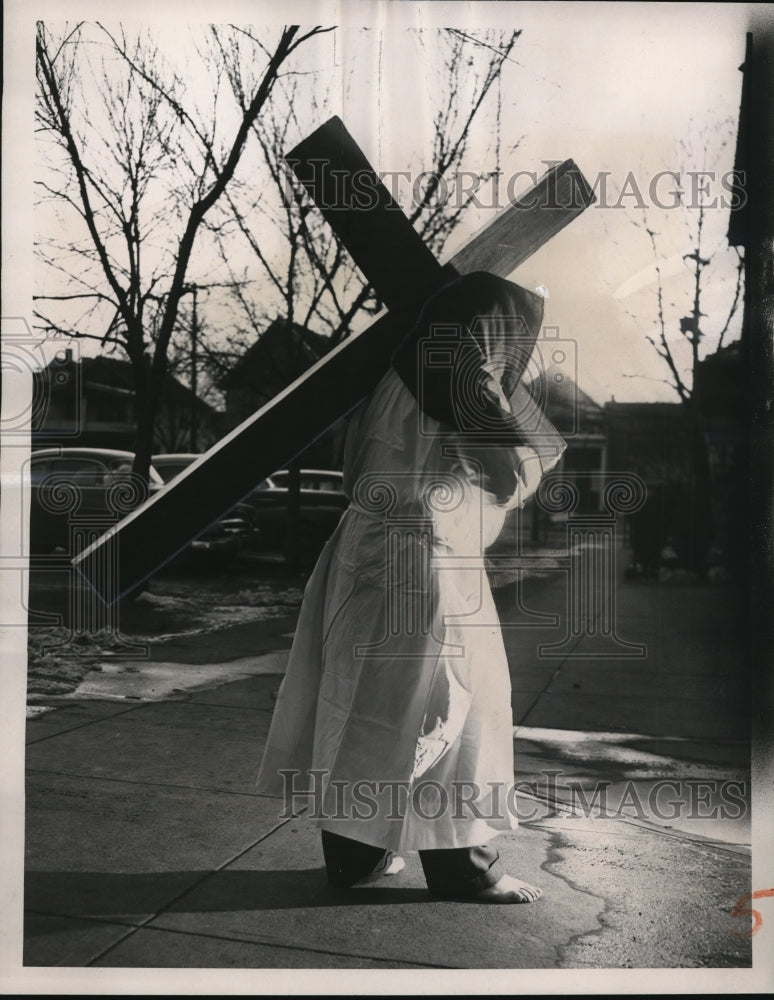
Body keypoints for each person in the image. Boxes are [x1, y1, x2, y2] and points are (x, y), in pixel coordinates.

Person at [257, 271, 565, 902]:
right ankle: (464, 868)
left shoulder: (395, 372)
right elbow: (508, 477)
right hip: (427, 560)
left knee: (358, 702)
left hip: (360, 549)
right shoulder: (465, 378)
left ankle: (356, 858)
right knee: (451, 710)